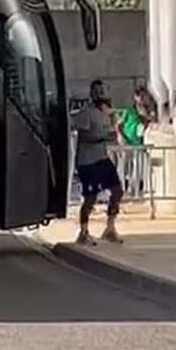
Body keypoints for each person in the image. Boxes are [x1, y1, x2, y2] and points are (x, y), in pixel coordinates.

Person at [72, 80, 124, 245]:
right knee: (90, 197)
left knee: (117, 191)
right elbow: (83, 133)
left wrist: (114, 129)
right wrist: (102, 137)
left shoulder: (106, 113)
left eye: (103, 91)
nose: (101, 94)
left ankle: (110, 228)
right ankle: (83, 231)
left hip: (102, 158)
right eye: (98, 91)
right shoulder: (86, 113)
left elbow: (110, 132)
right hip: (87, 161)